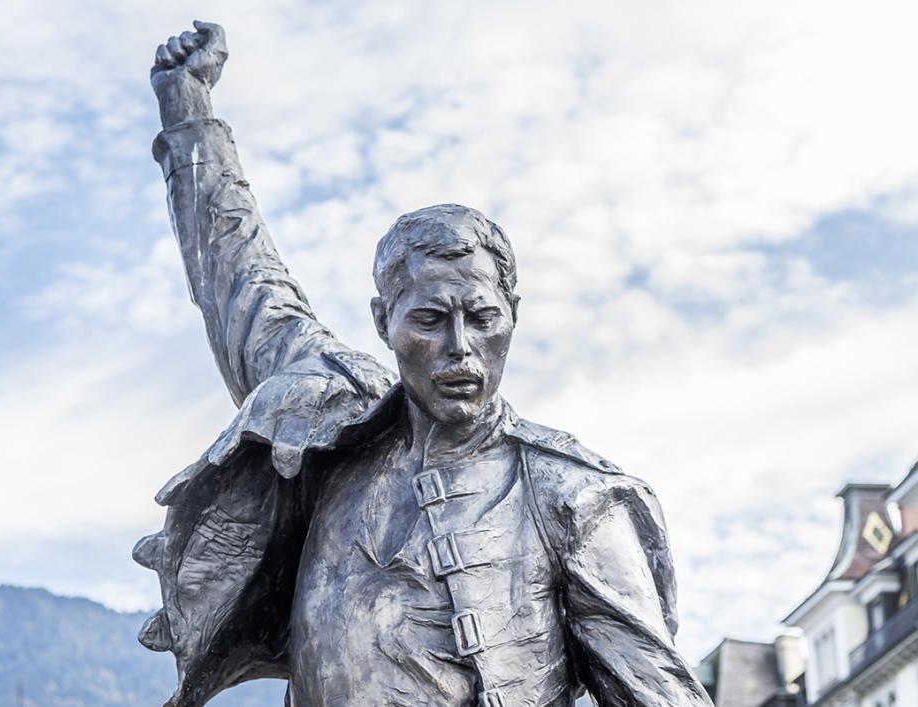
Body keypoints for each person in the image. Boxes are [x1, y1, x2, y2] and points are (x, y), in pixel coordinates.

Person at [135, 20, 711, 707]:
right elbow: (241, 284)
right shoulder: (332, 429)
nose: (460, 348)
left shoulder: (573, 499)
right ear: (384, 322)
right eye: (430, 321)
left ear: (512, 314)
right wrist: (190, 117)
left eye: (482, 318)